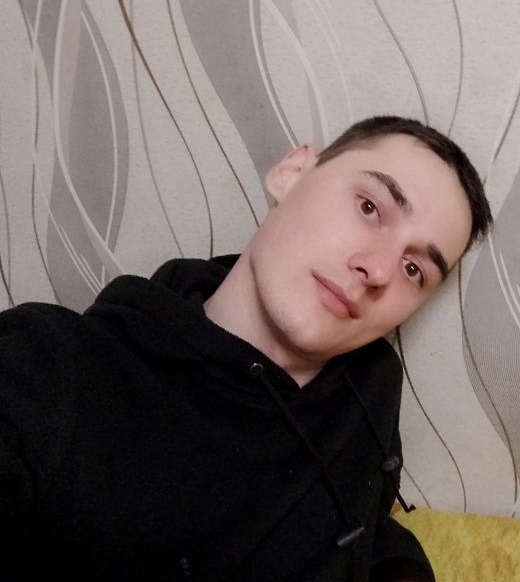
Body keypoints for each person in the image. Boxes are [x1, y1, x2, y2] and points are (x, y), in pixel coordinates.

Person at [0, 116, 492, 581]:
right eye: (369, 207)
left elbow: (360, 520)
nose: (379, 270)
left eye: (413, 269)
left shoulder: (370, 386)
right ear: (292, 173)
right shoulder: (47, 370)